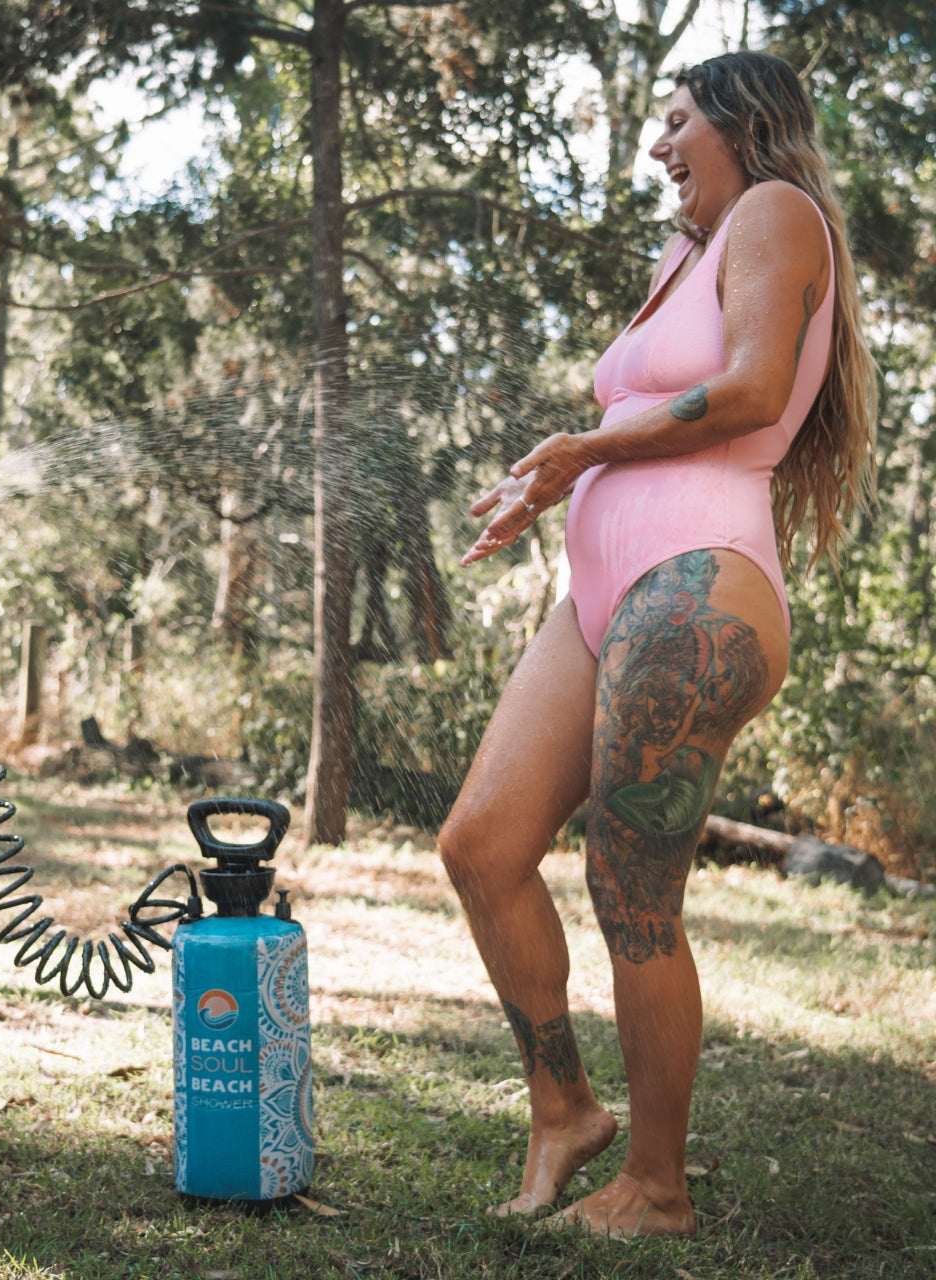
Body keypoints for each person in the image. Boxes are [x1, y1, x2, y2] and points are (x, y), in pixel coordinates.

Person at [439, 51, 875, 1237]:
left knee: (631, 889)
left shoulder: (774, 215)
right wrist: (552, 482)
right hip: (601, 591)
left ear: (739, 123)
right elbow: (634, 421)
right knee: (481, 842)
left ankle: (657, 1185)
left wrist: (585, 451)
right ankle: (564, 1109)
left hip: (696, 586)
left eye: (674, 120)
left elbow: (746, 391)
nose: (655, 144)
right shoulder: (684, 250)